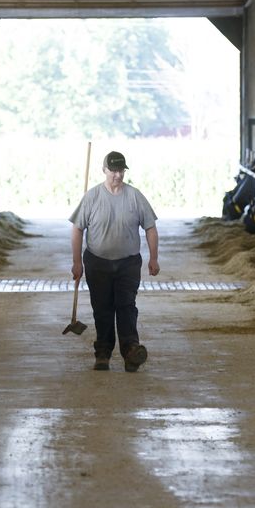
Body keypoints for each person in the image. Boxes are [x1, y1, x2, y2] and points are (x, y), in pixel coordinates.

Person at [70, 151, 160, 372]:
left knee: (126, 306)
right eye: (113, 171)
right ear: (104, 170)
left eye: (121, 171)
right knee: (102, 308)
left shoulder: (135, 196)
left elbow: (150, 227)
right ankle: (103, 353)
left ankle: (131, 351)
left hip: (128, 263)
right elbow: (77, 229)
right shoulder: (91, 197)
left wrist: (154, 257)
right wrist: (76, 262)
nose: (118, 175)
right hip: (97, 262)